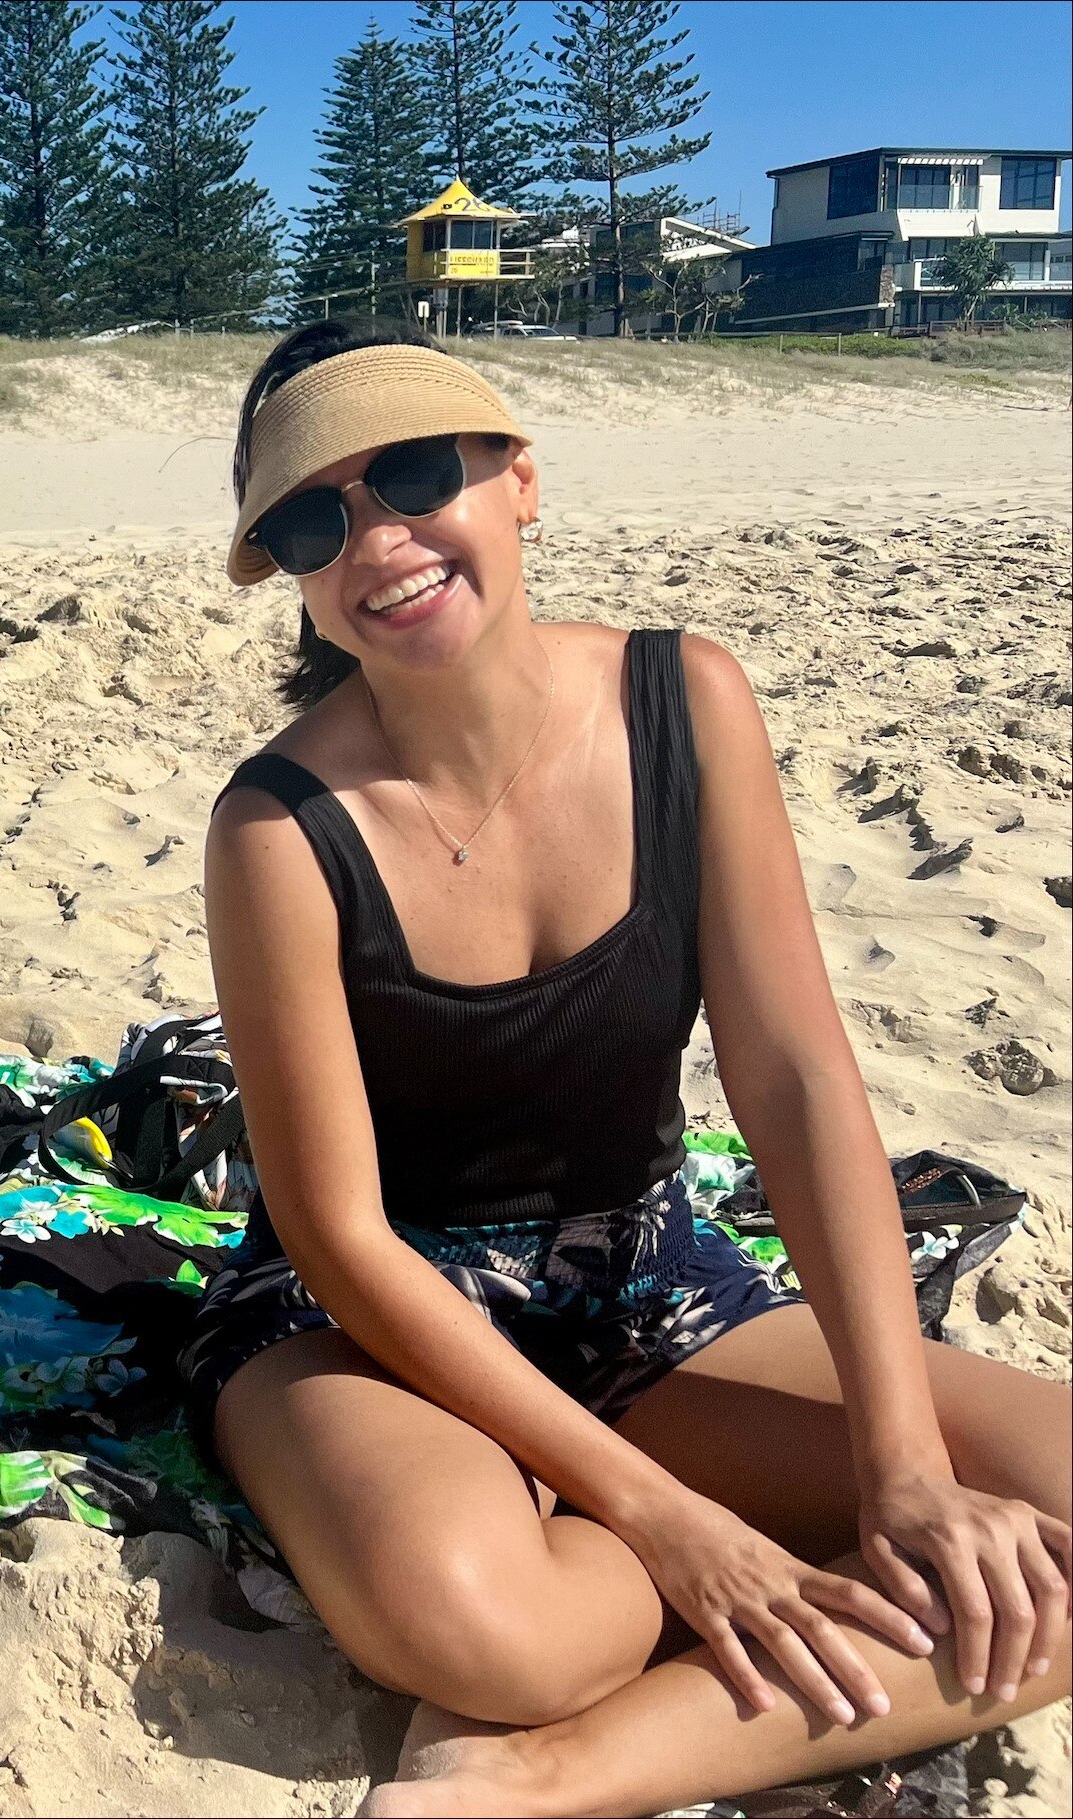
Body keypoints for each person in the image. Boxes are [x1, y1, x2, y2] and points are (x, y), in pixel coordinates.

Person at [187, 317, 1068, 1817]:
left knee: (1030, 1517)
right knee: (499, 1629)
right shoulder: (278, 829)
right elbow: (337, 1236)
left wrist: (905, 1465)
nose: (380, 538)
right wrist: (665, 1520)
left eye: (411, 472)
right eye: (318, 516)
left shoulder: (685, 700)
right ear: (295, 572)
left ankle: (547, 1777)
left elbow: (792, 1075)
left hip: (644, 1278)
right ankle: (594, 1646)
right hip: (374, 1320)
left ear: (518, 479)